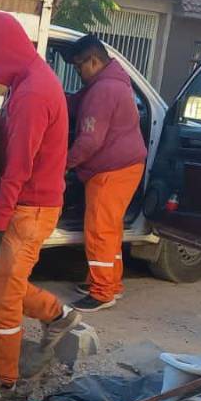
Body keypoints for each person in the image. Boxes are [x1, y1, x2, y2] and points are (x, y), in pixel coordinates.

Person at [0, 10, 83, 401]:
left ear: (3, 52)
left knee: (4, 297)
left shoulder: (33, 93)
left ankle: (2, 379)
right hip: (25, 204)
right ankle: (59, 315)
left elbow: (18, 168)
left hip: (30, 210)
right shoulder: (24, 80)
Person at [63, 34, 147, 312]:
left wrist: (65, 164)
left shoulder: (103, 90)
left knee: (99, 230)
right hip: (124, 166)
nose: (78, 72)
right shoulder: (110, 82)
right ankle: (111, 282)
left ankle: (102, 292)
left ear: (93, 61)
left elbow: (89, 141)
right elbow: (74, 103)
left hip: (111, 170)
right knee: (110, 229)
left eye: (79, 66)